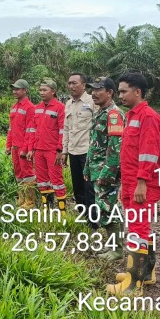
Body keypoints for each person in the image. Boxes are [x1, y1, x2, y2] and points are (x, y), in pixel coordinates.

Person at [106, 72, 160, 296]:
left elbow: (149, 154)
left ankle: (134, 284)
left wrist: (142, 182)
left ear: (137, 92)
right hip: (133, 180)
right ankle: (146, 272)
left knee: (137, 230)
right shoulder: (133, 116)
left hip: (144, 182)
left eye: (123, 91)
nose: (120, 95)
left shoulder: (147, 117)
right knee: (139, 228)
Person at [83, 77, 125, 260]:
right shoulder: (100, 113)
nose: (94, 93)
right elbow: (94, 144)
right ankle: (113, 247)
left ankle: (117, 250)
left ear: (110, 92)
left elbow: (115, 147)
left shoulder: (114, 114)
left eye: (99, 89)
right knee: (103, 208)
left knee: (109, 208)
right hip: (96, 168)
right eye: (92, 89)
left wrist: (108, 172)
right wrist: (86, 168)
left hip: (106, 171)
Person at [27, 79, 67, 211]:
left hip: (52, 150)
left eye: (45, 90)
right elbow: (33, 130)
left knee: (57, 180)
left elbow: (63, 130)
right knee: (42, 180)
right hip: (39, 150)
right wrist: (31, 149)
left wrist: (60, 150)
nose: (41, 93)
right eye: (40, 90)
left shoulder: (60, 108)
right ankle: (47, 207)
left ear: (53, 91)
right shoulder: (37, 108)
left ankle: (62, 211)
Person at [63, 73, 96, 227]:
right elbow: (66, 128)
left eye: (74, 83)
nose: (71, 86)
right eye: (69, 83)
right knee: (77, 187)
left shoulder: (92, 101)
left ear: (83, 85)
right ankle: (82, 215)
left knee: (89, 187)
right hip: (73, 151)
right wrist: (64, 150)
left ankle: (93, 219)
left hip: (87, 151)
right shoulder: (68, 104)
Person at [6, 79, 37, 209]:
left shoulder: (30, 107)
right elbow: (11, 129)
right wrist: (8, 145)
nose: (15, 91)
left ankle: (30, 201)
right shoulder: (14, 108)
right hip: (14, 147)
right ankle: (21, 198)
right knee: (18, 173)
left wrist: (25, 149)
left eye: (17, 89)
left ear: (25, 90)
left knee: (28, 174)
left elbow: (30, 131)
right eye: (14, 89)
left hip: (23, 147)